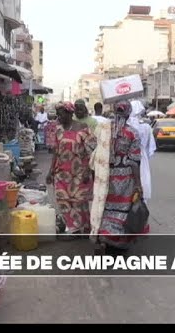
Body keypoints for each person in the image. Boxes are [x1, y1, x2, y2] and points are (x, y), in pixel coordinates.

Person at [97, 100, 145, 254]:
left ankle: (104, 239)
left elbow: (93, 151)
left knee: (105, 209)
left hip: (106, 178)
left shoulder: (103, 130)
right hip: (125, 179)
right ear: (129, 113)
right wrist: (138, 184)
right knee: (123, 210)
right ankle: (118, 244)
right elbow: (134, 161)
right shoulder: (132, 133)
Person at [46, 102, 97, 235]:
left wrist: (88, 171)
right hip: (61, 172)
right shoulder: (58, 130)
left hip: (79, 172)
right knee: (62, 199)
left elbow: (92, 151)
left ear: (69, 113)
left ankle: (85, 227)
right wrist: (50, 171)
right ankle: (72, 227)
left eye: (61, 114)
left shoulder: (82, 128)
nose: (59, 117)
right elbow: (56, 152)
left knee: (80, 201)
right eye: (57, 114)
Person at [128, 100, 156, 202]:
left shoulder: (125, 125)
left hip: (127, 156)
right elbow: (150, 147)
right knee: (142, 178)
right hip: (142, 156)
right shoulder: (146, 127)